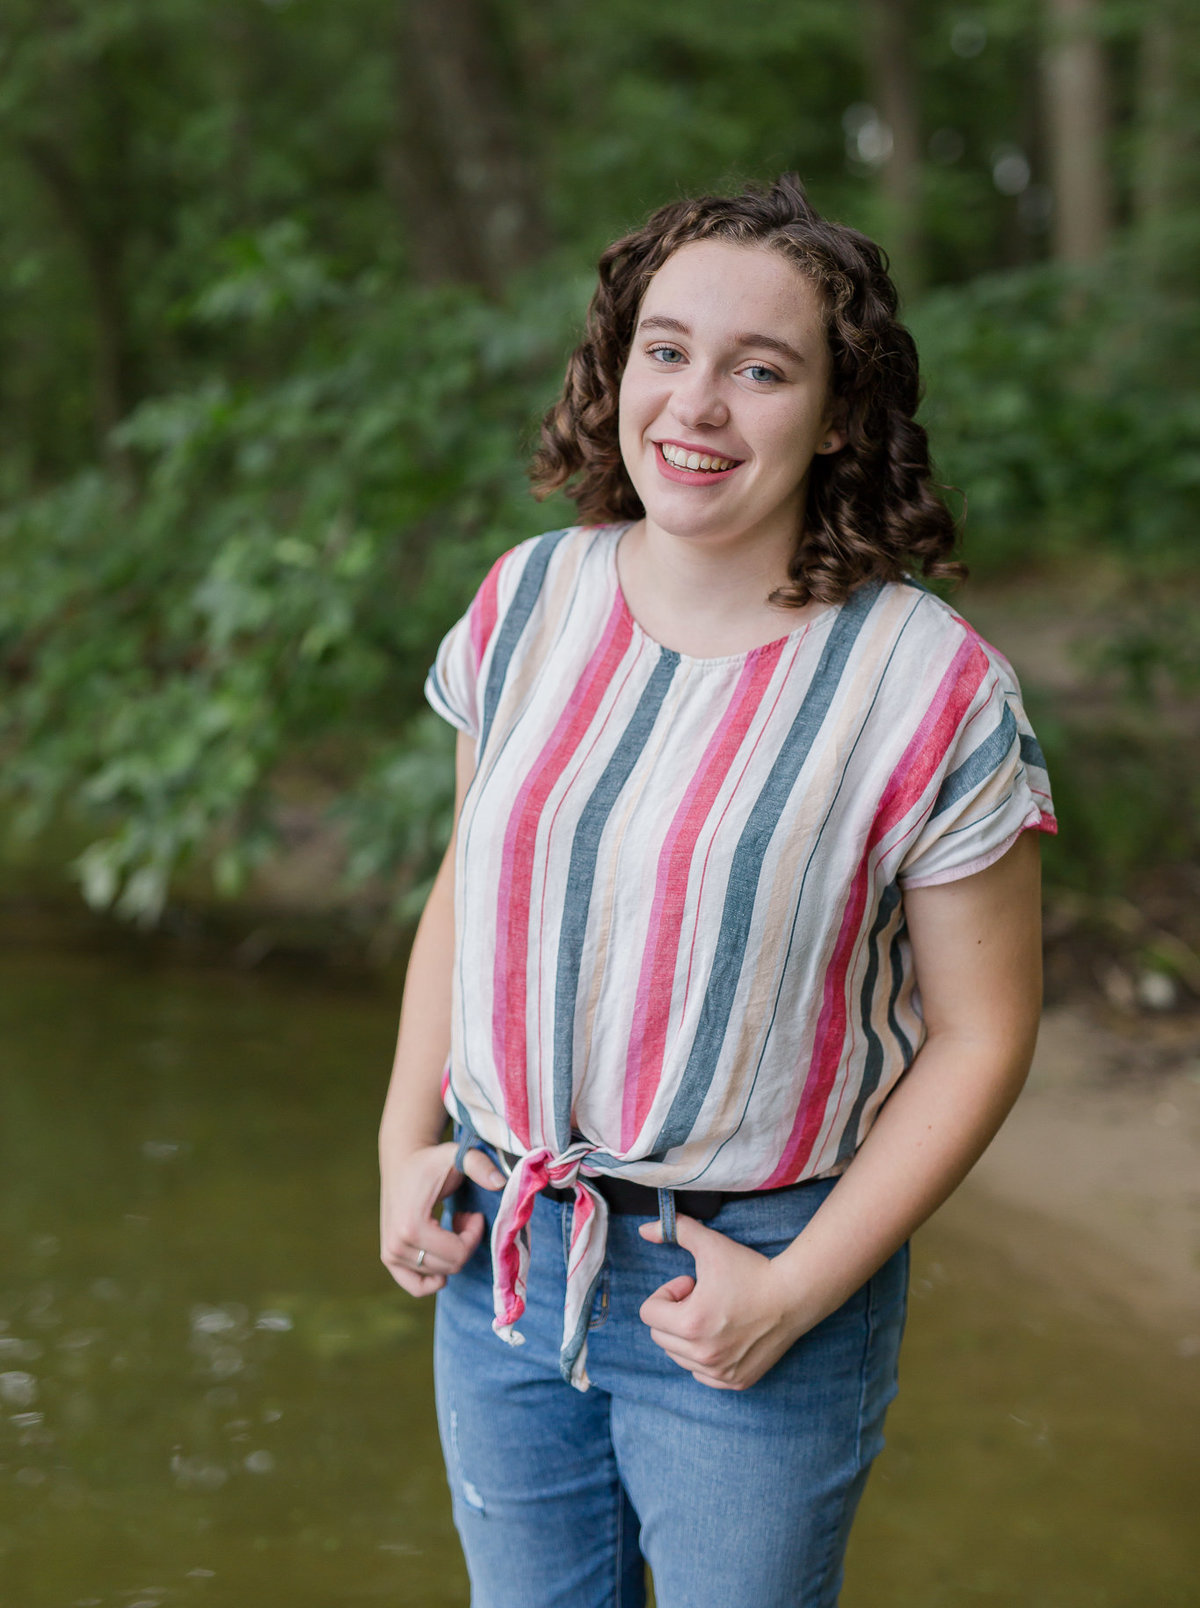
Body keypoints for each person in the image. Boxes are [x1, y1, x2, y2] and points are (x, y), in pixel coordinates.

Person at [378, 175, 1056, 1608]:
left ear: (841, 412)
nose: (696, 404)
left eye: (762, 369)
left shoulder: (928, 684)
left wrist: (797, 1292)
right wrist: (403, 1138)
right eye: (667, 349)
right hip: (503, 1257)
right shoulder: (525, 603)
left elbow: (985, 1035)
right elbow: (469, 891)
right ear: (618, 367)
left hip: (751, 1282)